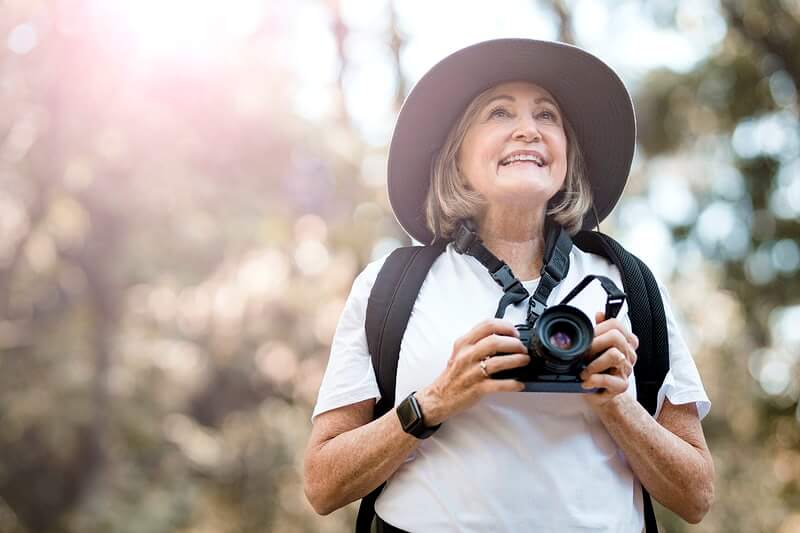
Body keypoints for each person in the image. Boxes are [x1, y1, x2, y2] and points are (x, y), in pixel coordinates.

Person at [303, 38, 714, 532]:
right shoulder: (390, 286)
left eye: (548, 116)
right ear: (456, 157)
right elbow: (323, 485)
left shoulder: (628, 284)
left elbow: (696, 496)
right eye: (499, 114)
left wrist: (618, 404)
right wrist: (435, 400)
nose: (528, 130)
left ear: (566, 155)